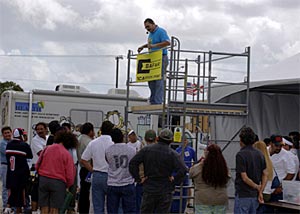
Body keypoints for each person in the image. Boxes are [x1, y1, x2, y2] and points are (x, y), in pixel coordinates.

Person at [129, 128, 187, 213]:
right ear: (171, 140)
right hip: (165, 190)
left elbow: (132, 163)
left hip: (149, 188)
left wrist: (138, 179)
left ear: (158, 138)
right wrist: (174, 181)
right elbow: (183, 169)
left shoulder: (146, 150)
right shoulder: (172, 154)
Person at [36, 130, 77, 214]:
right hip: (58, 182)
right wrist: (69, 185)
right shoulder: (66, 154)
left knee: (44, 206)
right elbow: (70, 174)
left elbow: (37, 164)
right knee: (55, 208)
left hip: (43, 179)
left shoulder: (47, 148)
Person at [80, 121, 114, 214]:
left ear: (101, 130)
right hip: (111, 176)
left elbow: (83, 159)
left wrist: (92, 170)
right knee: (110, 205)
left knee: (97, 205)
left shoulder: (93, 142)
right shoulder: (113, 143)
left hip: (97, 175)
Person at [234, 127, 268, 214]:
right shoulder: (260, 154)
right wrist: (260, 190)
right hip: (255, 195)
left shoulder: (241, 155)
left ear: (241, 140)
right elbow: (265, 174)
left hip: (243, 194)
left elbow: (244, 177)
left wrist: (256, 186)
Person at [137, 18, 170, 105]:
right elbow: (150, 44)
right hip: (153, 58)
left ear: (153, 24)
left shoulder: (161, 31)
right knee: (151, 80)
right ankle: (153, 100)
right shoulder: (150, 34)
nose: (147, 29)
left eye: (148, 26)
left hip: (161, 57)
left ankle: (158, 101)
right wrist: (143, 46)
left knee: (159, 80)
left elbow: (167, 42)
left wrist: (154, 45)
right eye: (145, 27)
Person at [189, 144, 230, 214]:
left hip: (203, 200)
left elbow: (191, 173)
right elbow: (228, 181)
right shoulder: (224, 168)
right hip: (220, 199)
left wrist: (199, 163)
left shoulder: (198, 168)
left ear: (206, 153)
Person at [106, 128, 136, 214]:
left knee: (112, 210)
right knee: (130, 210)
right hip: (128, 182)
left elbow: (108, 161)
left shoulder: (108, 150)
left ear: (112, 139)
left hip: (112, 182)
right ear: (122, 137)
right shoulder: (131, 149)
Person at [4, 128, 33, 214]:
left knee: (12, 192)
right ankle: (19, 210)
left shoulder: (9, 145)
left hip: (11, 173)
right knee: (21, 193)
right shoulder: (24, 145)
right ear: (21, 135)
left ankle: (8, 208)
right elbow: (30, 156)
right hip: (21, 174)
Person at [268, 134, 296, 201]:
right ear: (271, 143)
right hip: (266, 187)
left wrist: (281, 186)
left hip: (278, 189)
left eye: (281, 146)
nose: (278, 148)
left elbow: (291, 173)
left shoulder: (287, 155)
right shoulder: (264, 152)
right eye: (276, 145)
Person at [76, 122, 95, 214]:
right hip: (88, 168)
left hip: (82, 168)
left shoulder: (79, 138)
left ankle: (81, 209)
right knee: (87, 192)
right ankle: (85, 210)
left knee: (83, 191)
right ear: (90, 131)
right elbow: (91, 157)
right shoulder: (89, 141)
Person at [30, 122, 48, 212]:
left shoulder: (49, 138)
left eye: (41, 129)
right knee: (35, 191)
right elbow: (41, 154)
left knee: (44, 192)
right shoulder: (35, 140)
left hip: (47, 169)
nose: (40, 131)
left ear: (46, 129)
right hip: (37, 168)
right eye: (38, 129)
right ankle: (34, 211)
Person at [175, 137, 196, 209]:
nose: (184, 142)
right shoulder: (177, 150)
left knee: (188, 186)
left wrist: (192, 168)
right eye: (183, 140)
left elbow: (195, 160)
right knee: (180, 186)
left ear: (187, 141)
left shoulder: (191, 150)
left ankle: (189, 201)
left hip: (188, 171)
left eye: (185, 140)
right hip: (180, 172)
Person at [0, 126, 12, 210]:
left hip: (13, 166)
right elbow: (8, 153)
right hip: (5, 166)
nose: (7, 134)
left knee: (12, 186)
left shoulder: (12, 142)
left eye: (8, 132)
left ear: (11, 133)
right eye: (5, 133)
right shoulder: (2, 143)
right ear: (3, 135)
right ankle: (5, 205)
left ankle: (11, 205)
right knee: (5, 186)